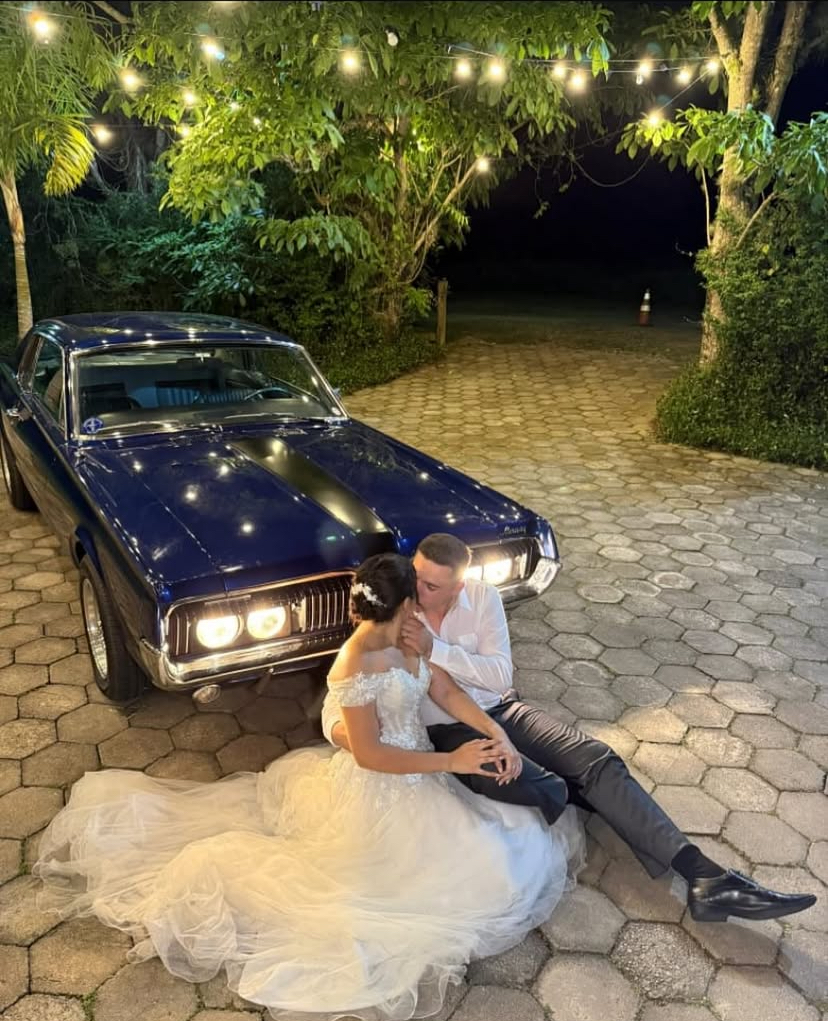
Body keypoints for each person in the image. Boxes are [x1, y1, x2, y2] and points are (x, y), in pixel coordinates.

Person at [35, 553, 583, 1021]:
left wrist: (493, 731)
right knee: (460, 881)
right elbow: (369, 755)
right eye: (415, 599)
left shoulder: (408, 635)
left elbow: (442, 688)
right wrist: (452, 760)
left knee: (509, 844)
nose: (422, 607)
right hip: (384, 790)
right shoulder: (355, 664)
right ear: (400, 605)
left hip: (422, 770)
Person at [323, 533, 816, 925]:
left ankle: (705, 878)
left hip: (499, 710)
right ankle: (592, 801)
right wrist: (349, 736)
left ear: (460, 585)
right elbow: (347, 699)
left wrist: (440, 653)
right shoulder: (392, 619)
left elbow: (498, 677)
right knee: (539, 782)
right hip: (446, 734)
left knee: (595, 760)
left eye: (433, 587)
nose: (421, 594)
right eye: (418, 582)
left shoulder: (481, 600)